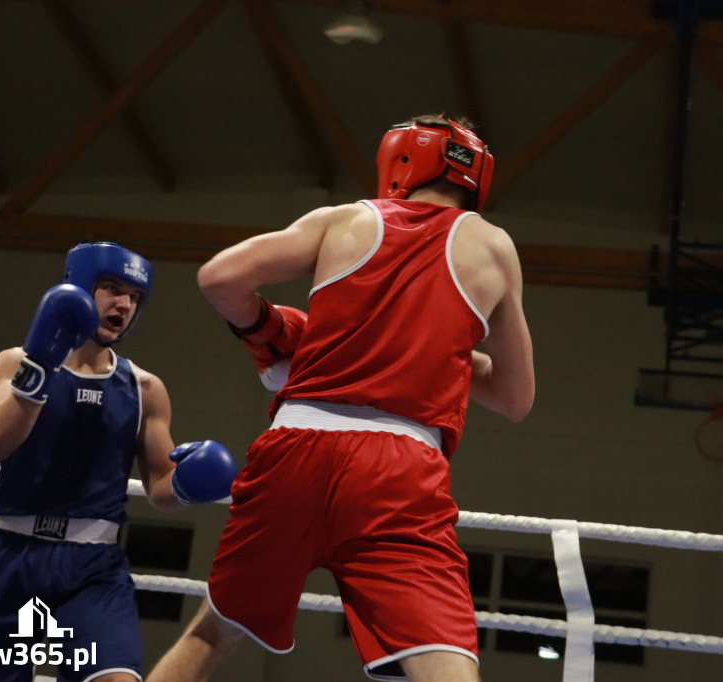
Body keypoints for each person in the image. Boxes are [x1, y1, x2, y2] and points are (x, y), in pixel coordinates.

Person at [147, 114, 535, 682]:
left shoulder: (345, 220)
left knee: (215, 631)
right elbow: (515, 396)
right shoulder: (492, 246)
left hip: (294, 448)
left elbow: (219, 278)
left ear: (402, 158)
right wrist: (441, 348)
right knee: (442, 659)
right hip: (399, 469)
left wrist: (263, 331)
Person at [0, 242, 239, 682]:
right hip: (10, 555)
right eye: (111, 288)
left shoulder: (144, 388)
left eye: (135, 296)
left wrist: (190, 483)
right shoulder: (15, 362)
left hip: (91, 566)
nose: (123, 303)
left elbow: (160, 484)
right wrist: (41, 366)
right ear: (79, 287)